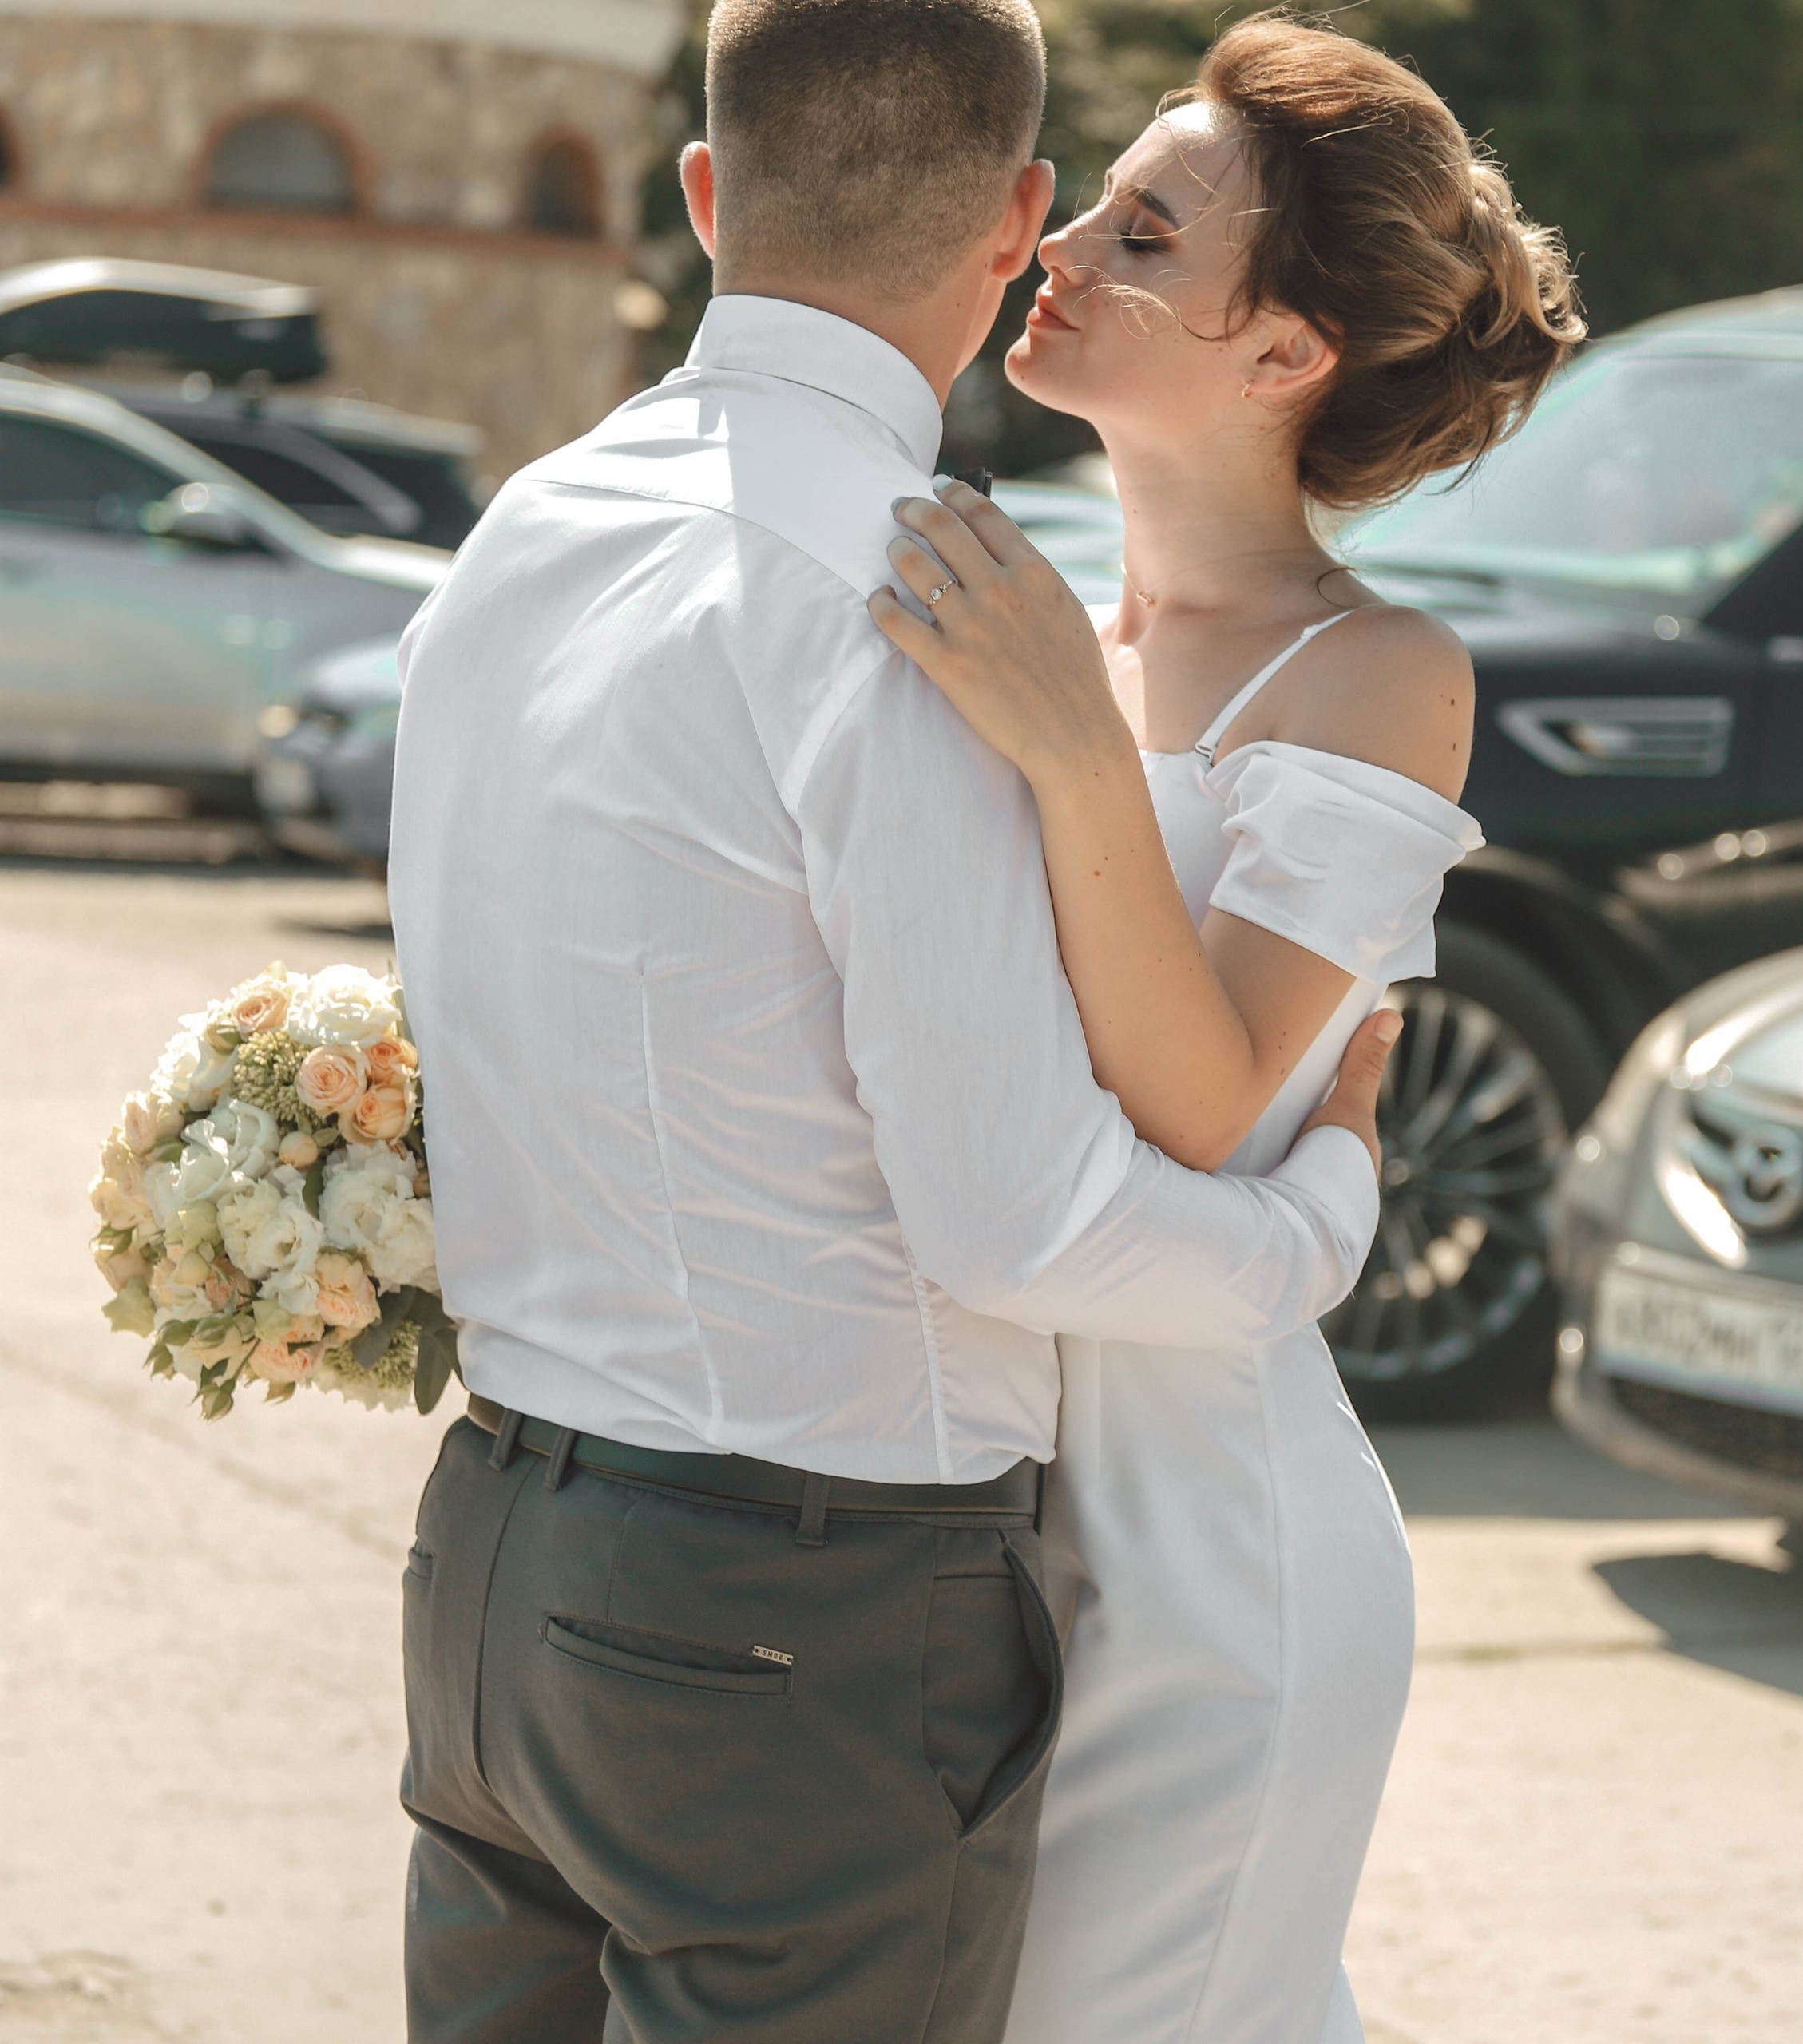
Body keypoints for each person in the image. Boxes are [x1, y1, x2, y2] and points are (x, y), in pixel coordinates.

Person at [383, 2, 1401, 2038]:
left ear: (700, 194)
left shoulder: (518, 533)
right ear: (1021, 207)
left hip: (492, 1562)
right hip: (790, 1621)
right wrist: (1316, 1223)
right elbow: (1013, 1222)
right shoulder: (917, 591)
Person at [867, 19, 1584, 2043]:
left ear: (1284, 357)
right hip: (965, 1524)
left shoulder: (1374, 672)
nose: (1060, 244)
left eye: (1146, 231)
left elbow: (1196, 1109)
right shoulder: (1043, 625)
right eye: (1094, 194)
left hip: (1205, 1561)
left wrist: (1070, 749)